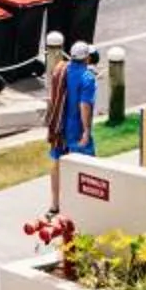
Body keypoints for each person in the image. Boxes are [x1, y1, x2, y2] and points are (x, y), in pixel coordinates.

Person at [47, 40, 99, 212]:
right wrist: (86, 130)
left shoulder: (62, 70)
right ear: (87, 58)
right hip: (75, 127)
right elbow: (84, 105)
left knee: (57, 161)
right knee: (89, 165)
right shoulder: (87, 78)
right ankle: (86, 205)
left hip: (59, 125)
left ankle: (55, 204)